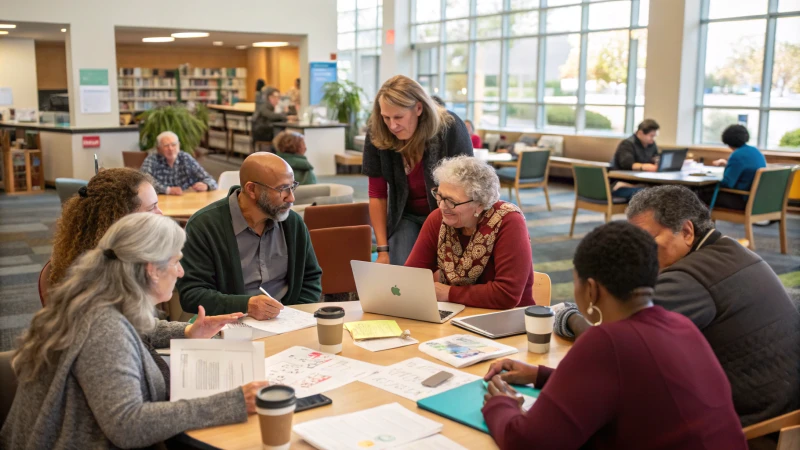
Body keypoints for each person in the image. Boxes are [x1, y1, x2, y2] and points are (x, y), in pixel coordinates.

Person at [0, 214, 268, 449]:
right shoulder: (103, 327)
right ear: (151, 270)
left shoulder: (101, 296)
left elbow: (141, 330)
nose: (181, 271)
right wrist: (233, 402)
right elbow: (128, 425)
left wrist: (187, 331)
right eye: (176, 261)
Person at [482, 221, 747, 450]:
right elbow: (625, 385)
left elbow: (528, 443)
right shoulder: (681, 325)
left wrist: (501, 404)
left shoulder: (606, 342)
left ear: (591, 290)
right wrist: (539, 375)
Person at [554, 185, 800, 427]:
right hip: (784, 407)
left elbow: (614, 343)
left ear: (686, 231)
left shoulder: (690, 278)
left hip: (752, 423)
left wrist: (569, 317)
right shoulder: (731, 250)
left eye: (648, 240)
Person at [178, 152, 322, 318]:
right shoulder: (204, 226)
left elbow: (311, 277)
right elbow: (192, 294)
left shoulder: (292, 223)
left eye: (292, 186)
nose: (291, 197)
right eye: (282, 189)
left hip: (288, 321)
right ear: (252, 189)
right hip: (229, 324)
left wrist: (294, 314)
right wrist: (246, 306)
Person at [362, 75, 473, 266]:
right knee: (404, 272)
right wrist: (382, 250)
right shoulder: (378, 131)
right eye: (386, 117)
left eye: (398, 117)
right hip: (405, 214)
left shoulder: (450, 127)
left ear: (419, 108)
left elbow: (469, 189)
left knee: (448, 273)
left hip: (449, 213)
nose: (392, 126)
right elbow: (377, 194)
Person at [405, 156, 533, 309]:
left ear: (480, 205)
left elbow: (506, 294)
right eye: (439, 196)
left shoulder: (509, 221)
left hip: (508, 318)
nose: (442, 206)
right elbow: (411, 275)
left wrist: (449, 293)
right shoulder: (438, 219)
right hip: (454, 312)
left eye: (451, 201)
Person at [49, 168, 162, 285]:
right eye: (151, 208)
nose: (160, 213)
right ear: (122, 218)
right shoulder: (112, 276)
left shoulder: (85, 251)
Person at [703, 124, 767, 210]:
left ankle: (695, 223)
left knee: (697, 194)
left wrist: (709, 177)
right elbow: (747, 168)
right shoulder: (755, 151)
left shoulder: (737, 155)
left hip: (742, 200)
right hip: (756, 199)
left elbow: (727, 183)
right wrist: (727, 165)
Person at [140, 131, 218, 196]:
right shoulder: (152, 159)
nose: (170, 149)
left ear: (179, 146)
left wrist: (206, 185)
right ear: (158, 149)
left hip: (186, 201)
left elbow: (210, 180)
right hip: (162, 203)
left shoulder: (185, 158)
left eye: (173, 145)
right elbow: (144, 182)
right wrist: (167, 190)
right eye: (166, 146)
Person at [609, 119, 660, 200]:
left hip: (642, 182)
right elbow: (627, 164)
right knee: (649, 194)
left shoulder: (651, 145)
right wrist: (645, 167)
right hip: (621, 184)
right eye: (651, 136)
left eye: (654, 136)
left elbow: (655, 157)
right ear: (640, 133)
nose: (652, 139)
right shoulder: (627, 144)